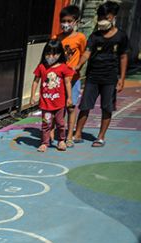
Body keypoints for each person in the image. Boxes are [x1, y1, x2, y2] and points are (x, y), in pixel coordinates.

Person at [72, 1, 129, 148]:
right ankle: (77, 133)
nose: (102, 20)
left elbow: (123, 56)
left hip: (110, 78)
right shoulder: (95, 35)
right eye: (100, 16)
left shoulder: (121, 36)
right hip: (92, 76)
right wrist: (78, 65)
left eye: (106, 16)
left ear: (113, 17)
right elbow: (87, 53)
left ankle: (101, 137)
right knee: (85, 105)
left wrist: (122, 78)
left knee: (107, 107)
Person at [29, 39, 74, 152]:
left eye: (54, 53)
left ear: (59, 54)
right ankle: (45, 142)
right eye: (48, 53)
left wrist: (69, 97)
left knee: (60, 123)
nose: (51, 56)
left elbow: (67, 82)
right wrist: (32, 96)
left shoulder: (63, 67)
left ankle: (61, 140)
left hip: (59, 103)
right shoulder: (42, 67)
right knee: (46, 123)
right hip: (46, 103)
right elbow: (36, 81)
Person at [56, 4, 87, 148]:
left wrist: (78, 66)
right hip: (59, 80)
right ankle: (58, 135)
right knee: (58, 108)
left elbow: (84, 54)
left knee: (71, 107)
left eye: (69, 21)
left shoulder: (80, 37)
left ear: (76, 21)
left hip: (73, 80)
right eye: (63, 21)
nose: (66, 24)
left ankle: (69, 136)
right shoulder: (57, 38)